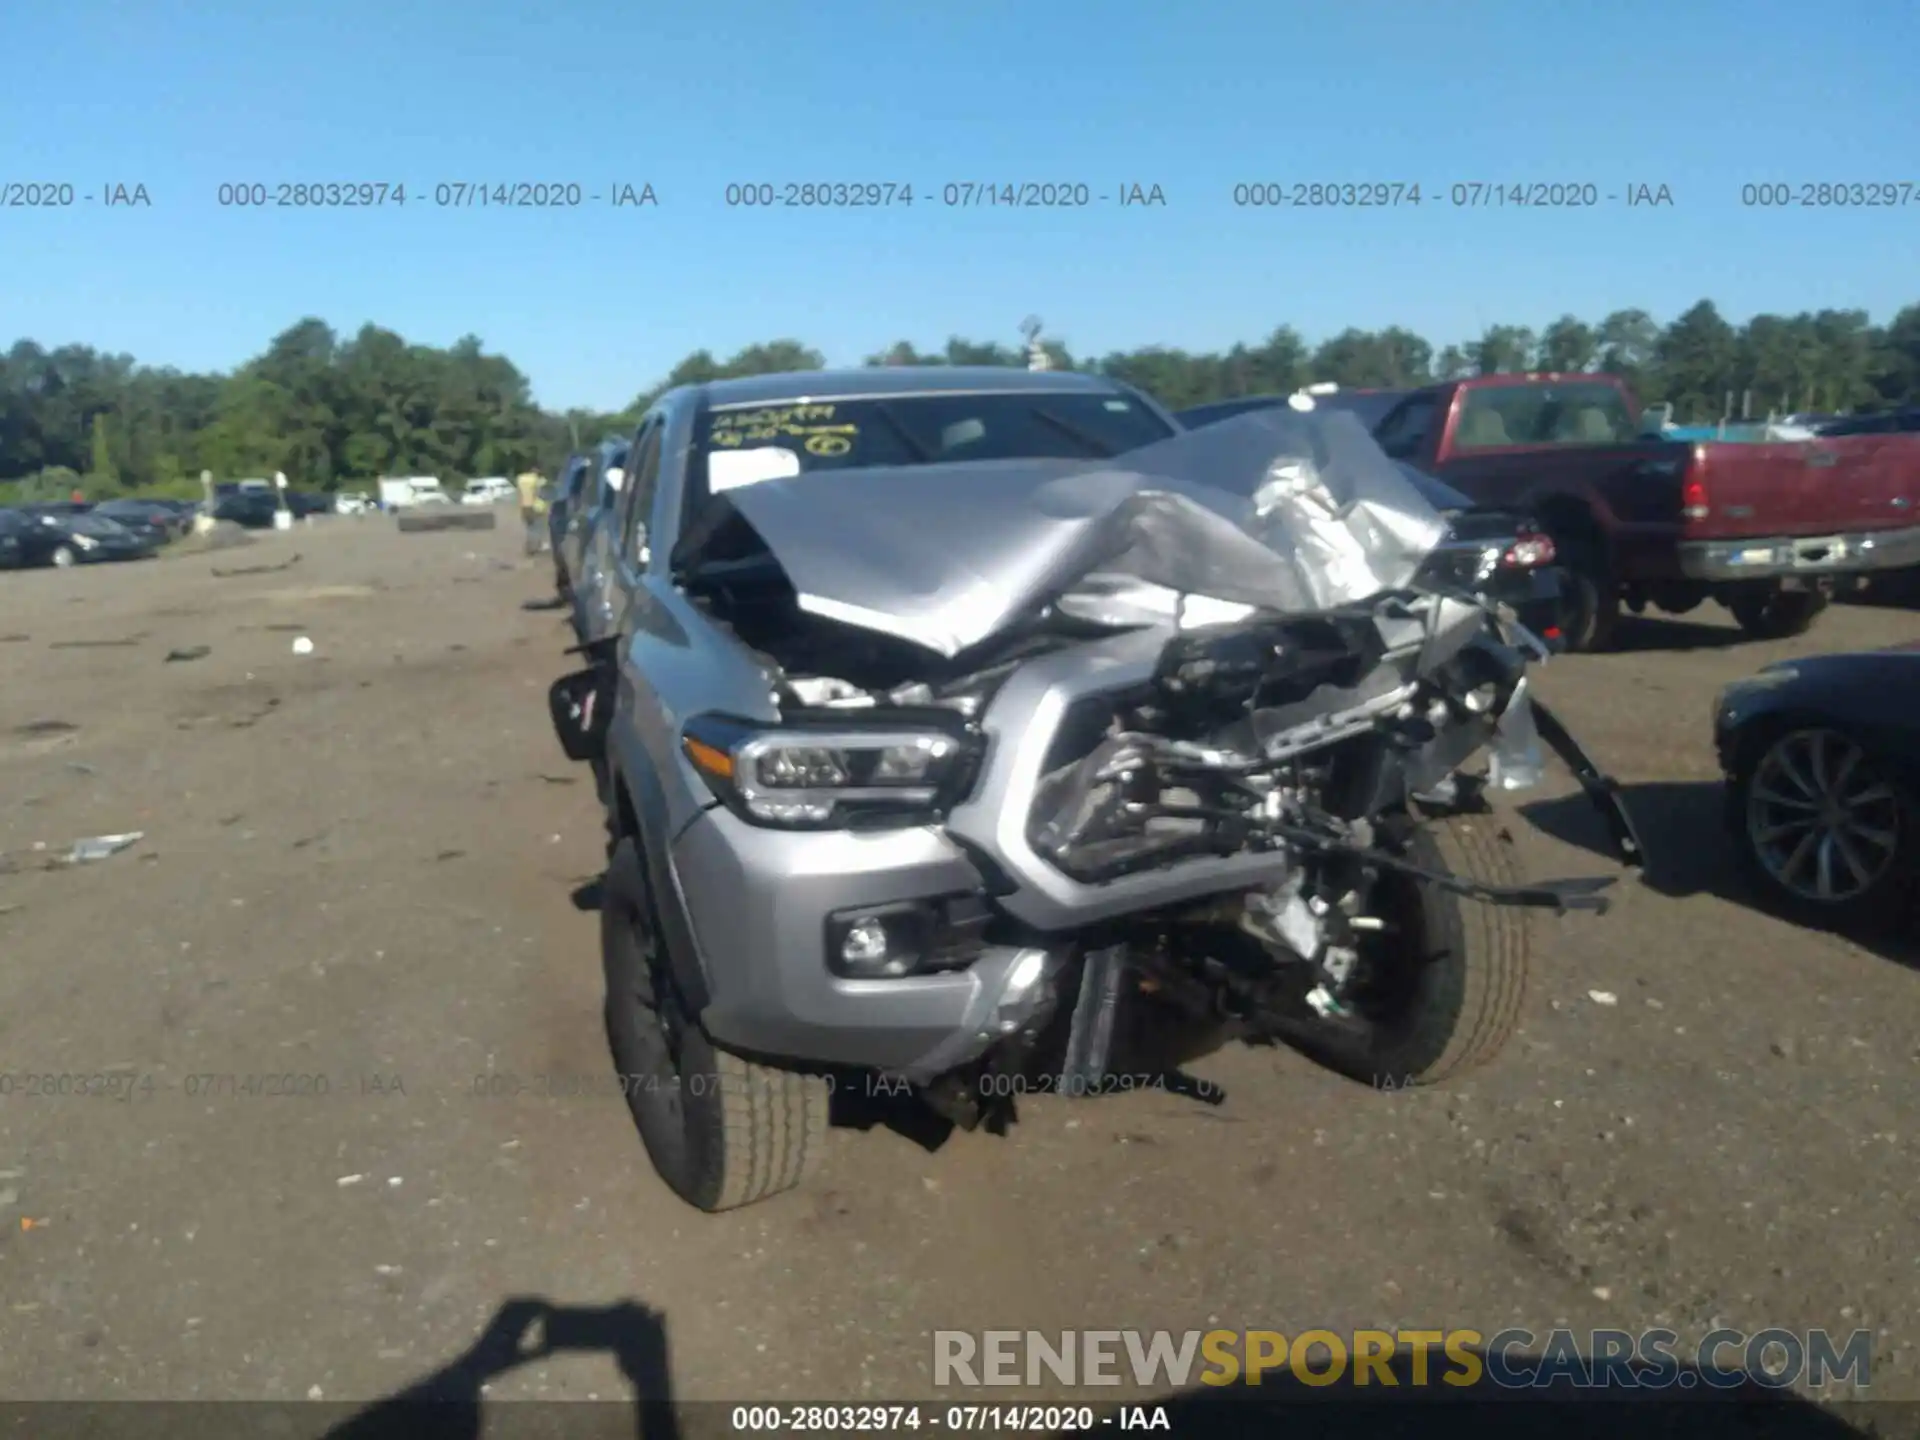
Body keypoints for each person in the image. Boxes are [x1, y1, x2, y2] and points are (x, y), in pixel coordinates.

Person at [515, 467, 545, 555]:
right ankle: (535, 548)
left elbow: (519, 493)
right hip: (535, 507)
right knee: (537, 528)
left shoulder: (521, 479)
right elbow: (539, 494)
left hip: (524, 507)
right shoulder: (538, 480)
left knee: (529, 528)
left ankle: (529, 547)